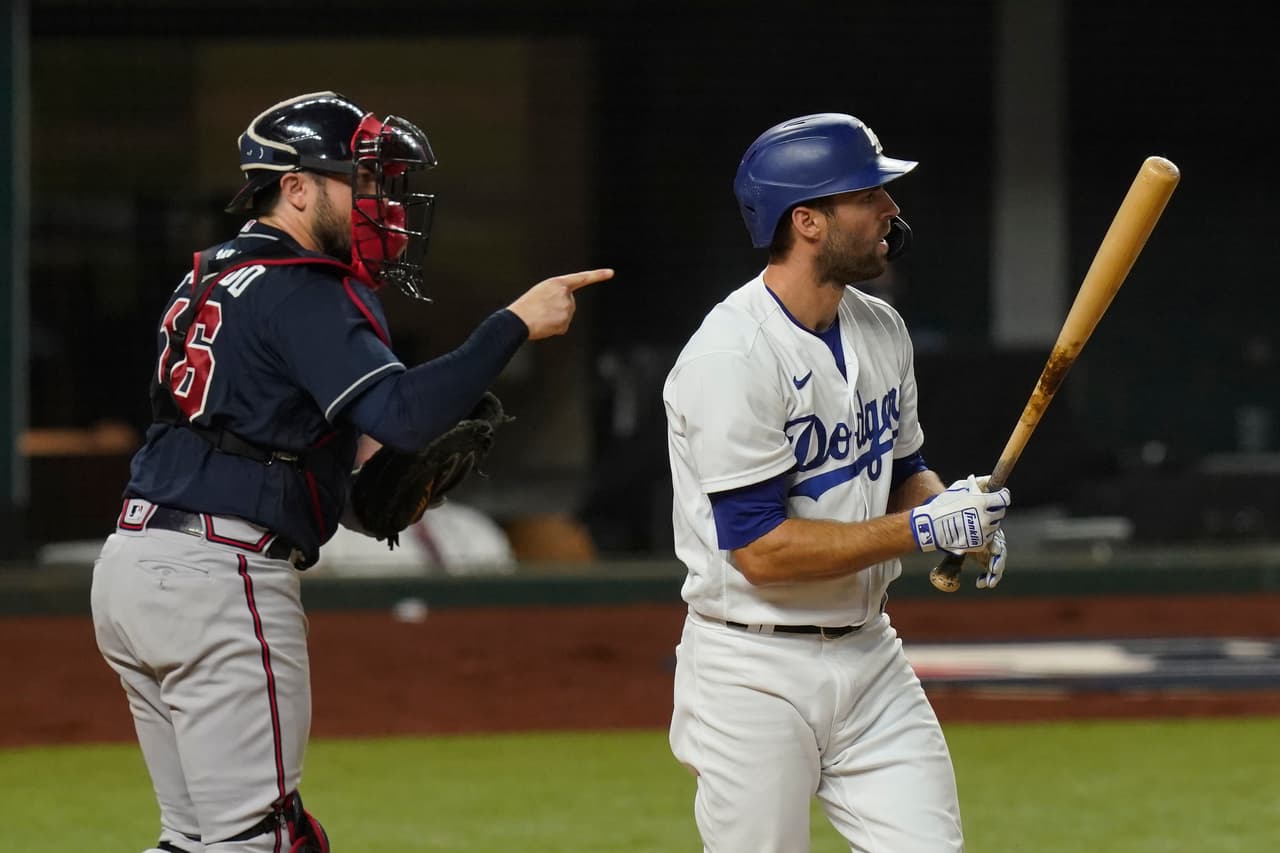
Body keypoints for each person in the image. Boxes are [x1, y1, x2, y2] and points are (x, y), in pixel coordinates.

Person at [90, 91, 611, 853]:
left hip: (135, 567)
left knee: (195, 838)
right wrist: (514, 323)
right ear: (296, 187)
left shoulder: (209, 275)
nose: (384, 203)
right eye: (362, 182)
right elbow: (400, 415)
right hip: (219, 578)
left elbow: (256, 435)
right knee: (265, 840)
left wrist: (351, 488)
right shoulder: (303, 282)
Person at [662, 112, 1010, 852]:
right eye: (869, 195)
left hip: (870, 651)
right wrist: (921, 530)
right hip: (752, 670)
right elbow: (760, 549)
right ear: (808, 221)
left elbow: (905, 470)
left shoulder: (881, 327)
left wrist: (954, 513)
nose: (890, 210)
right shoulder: (731, 357)